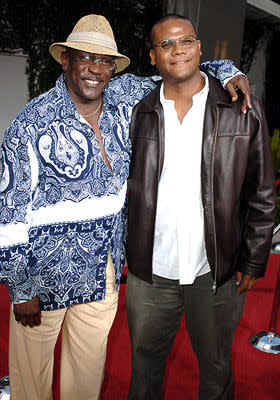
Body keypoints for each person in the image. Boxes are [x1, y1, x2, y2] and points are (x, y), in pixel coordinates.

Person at [0, 13, 251, 400]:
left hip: (102, 275)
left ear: (113, 69)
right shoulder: (30, 124)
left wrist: (230, 71)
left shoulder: (123, 96)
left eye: (104, 61)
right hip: (43, 280)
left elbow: (181, 66)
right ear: (65, 59)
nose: (95, 69)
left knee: (85, 382)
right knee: (31, 383)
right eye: (85, 57)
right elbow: (9, 215)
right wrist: (20, 289)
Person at [126, 14, 276, 400]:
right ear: (153, 57)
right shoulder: (136, 111)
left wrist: (254, 259)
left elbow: (262, 193)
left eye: (186, 41)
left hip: (215, 270)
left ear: (200, 48)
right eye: (166, 45)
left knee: (216, 369)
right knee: (143, 369)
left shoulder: (242, 107)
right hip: (150, 270)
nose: (178, 50)